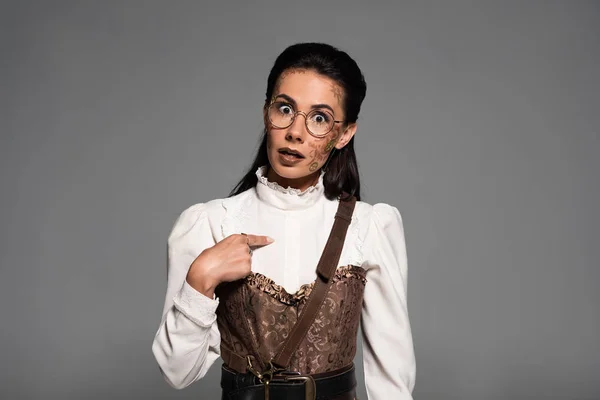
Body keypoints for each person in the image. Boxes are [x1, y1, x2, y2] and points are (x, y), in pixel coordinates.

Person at [152, 42, 416, 399]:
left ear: (345, 133)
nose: (296, 131)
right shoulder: (209, 223)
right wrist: (200, 279)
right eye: (285, 108)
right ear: (266, 112)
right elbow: (176, 372)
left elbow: (392, 382)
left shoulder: (369, 227)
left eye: (320, 118)